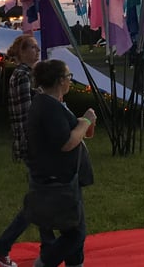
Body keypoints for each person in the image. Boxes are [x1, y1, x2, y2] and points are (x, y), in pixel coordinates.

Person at [26, 59, 96, 267]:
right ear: (59, 81)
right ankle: (45, 262)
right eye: (68, 77)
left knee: (73, 228)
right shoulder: (49, 107)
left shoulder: (50, 104)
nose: (70, 81)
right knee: (75, 233)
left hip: (62, 176)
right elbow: (66, 142)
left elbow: (76, 133)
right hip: (58, 179)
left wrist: (84, 124)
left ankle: (74, 263)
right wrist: (86, 121)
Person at [0, 34, 44, 267]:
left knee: (41, 199)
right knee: (38, 202)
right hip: (33, 144)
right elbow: (30, 114)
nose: (37, 51)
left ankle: (48, 248)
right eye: (32, 48)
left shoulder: (24, 74)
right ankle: (1, 247)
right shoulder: (22, 76)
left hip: (30, 143)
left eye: (37, 48)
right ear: (21, 51)